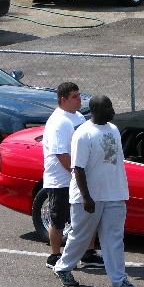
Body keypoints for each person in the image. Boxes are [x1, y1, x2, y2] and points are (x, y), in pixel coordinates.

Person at [53, 95, 137, 287]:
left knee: (114, 238)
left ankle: (119, 280)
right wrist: (85, 196)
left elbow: (112, 161)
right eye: (108, 107)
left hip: (114, 194)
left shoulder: (113, 129)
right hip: (89, 197)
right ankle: (63, 268)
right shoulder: (83, 134)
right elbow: (78, 168)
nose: (113, 110)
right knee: (80, 237)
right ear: (95, 110)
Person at [42, 82, 104, 270]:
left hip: (78, 178)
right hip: (60, 180)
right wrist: (77, 175)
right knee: (59, 218)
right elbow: (61, 154)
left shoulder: (77, 116)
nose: (79, 99)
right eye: (75, 96)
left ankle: (88, 253)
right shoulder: (58, 122)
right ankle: (54, 256)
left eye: (79, 95)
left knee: (88, 215)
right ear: (64, 99)